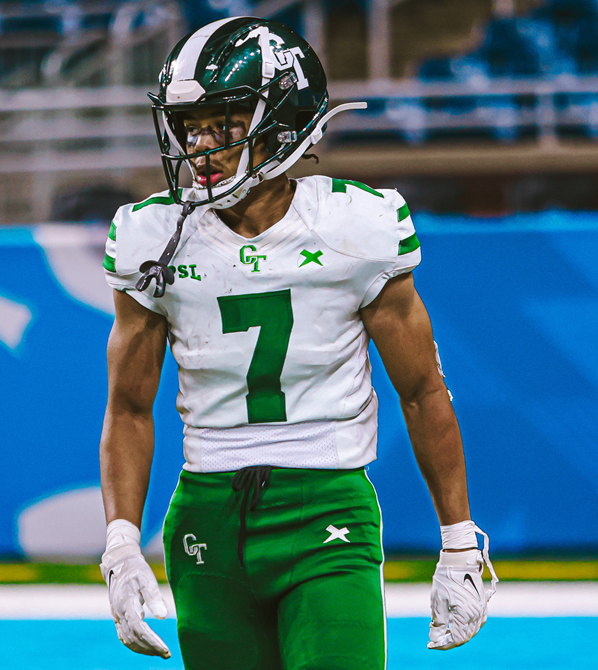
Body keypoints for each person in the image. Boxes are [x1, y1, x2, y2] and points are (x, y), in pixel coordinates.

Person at [98, 16, 496, 670]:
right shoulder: (150, 235)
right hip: (206, 514)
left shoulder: (354, 225)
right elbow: (128, 408)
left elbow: (424, 391)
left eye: (223, 123)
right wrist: (120, 542)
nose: (200, 145)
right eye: (189, 126)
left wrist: (458, 540)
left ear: (284, 121)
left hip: (325, 503)